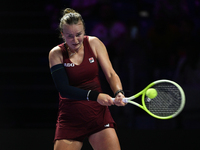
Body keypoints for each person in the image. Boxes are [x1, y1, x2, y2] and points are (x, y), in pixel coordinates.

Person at [48, 8, 126, 150]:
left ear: (84, 31)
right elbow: (64, 89)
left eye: (78, 34)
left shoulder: (94, 43)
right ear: (62, 35)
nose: (75, 40)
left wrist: (118, 92)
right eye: (70, 36)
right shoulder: (56, 53)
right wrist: (96, 96)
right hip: (71, 118)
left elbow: (110, 74)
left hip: (97, 115)